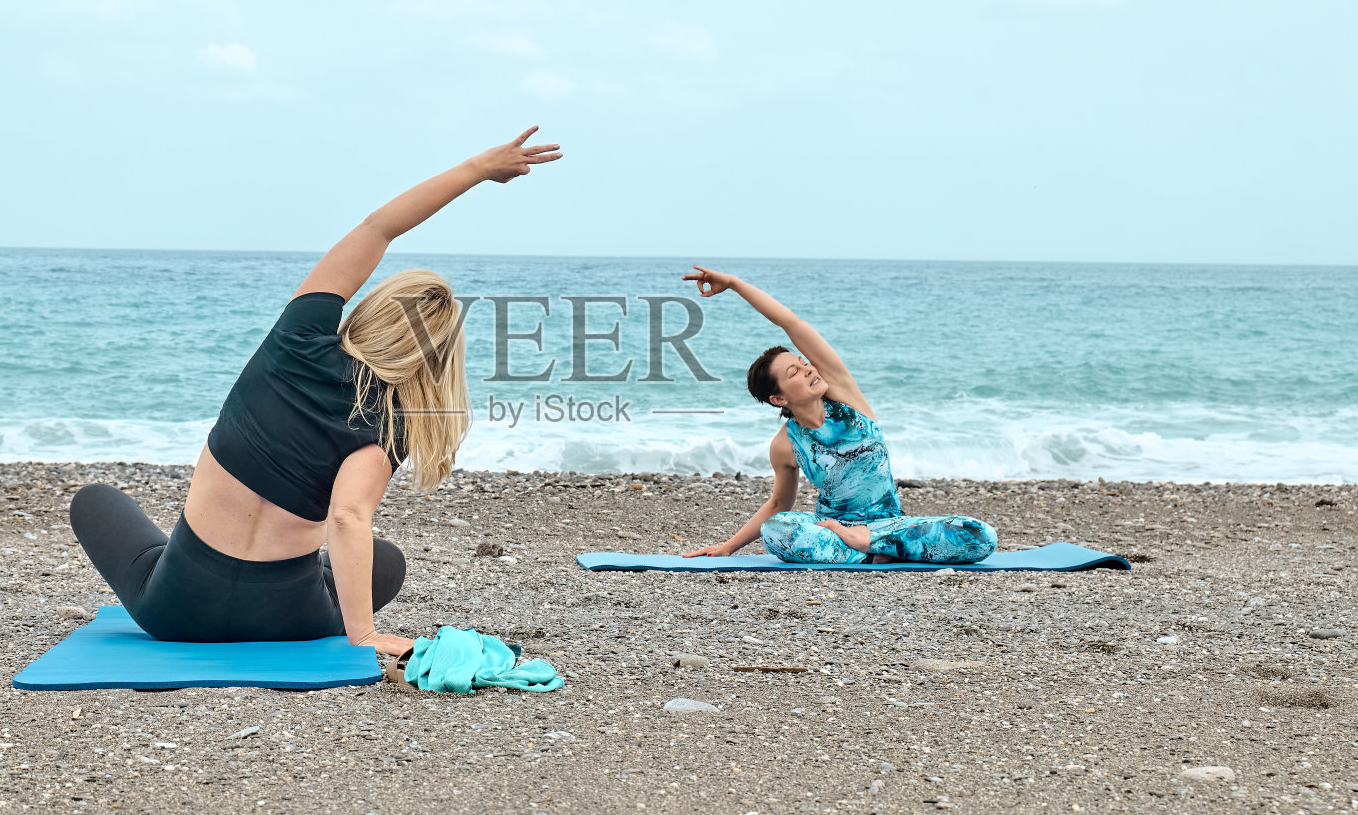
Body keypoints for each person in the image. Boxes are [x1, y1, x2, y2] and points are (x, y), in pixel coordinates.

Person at [70, 128, 562, 652]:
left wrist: (478, 168)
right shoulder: (393, 424)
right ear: (437, 358)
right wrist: (364, 635)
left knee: (94, 499)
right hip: (288, 618)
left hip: (175, 612)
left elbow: (378, 228)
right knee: (386, 559)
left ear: (374, 311)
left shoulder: (297, 338)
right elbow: (348, 517)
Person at [678, 266, 997, 566]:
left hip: (889, 524)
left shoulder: (844, 394)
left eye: (803, 363)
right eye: (794, 373)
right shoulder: (785, 445)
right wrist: (729, 546)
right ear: (779, 399)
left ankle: (870, 545)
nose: (808, 369)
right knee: (777, 529)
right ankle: (879, 552)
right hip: (833, 526)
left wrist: (734, 284)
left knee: (980, 535)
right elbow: (778, 504)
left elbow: (791, 323)